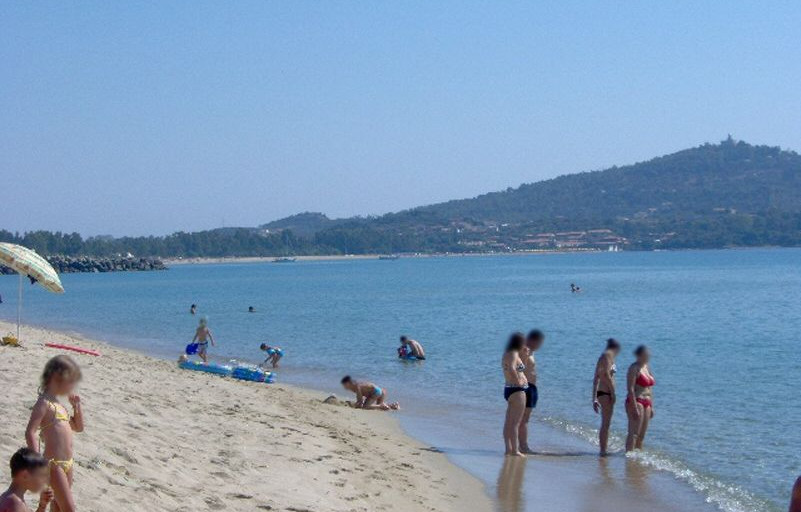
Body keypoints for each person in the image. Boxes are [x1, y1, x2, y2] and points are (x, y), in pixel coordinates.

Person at [25, 356, 84, 512]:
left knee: (57, 507)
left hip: (68, 463)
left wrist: (76, 406)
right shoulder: (43, 403)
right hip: (54, 464)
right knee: (69, 508)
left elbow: (78, 427)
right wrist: (37, 460)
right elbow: (30, 431)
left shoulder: (60, 406)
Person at [593, 338, 622, 456]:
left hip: (602, 392)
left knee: (605, 423)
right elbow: (606, 375)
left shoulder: (603, 357)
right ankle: (603, 450)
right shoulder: (607, 356)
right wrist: (613, 392)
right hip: (606, 393)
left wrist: (594, 398)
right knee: (606, 423)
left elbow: (596, 378)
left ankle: (603, 449)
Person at [0, 448, 53, 512]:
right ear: (25, 475)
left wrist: (42, 505)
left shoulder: (12, 498)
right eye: (41, 476)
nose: (45, 480)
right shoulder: (15, 503)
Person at [502, 332, 528, 457]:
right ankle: (515, 450)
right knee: (515, 423)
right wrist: (518, 382)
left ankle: (508, 448)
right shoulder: (513, 353)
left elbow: (518, 368)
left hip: (509, 389)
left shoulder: (507, 353)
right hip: (517, 390)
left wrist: (525, 356)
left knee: (509, 422)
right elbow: (512, 368)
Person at [518, 329, 544, 454]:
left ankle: (522, 445)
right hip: (526, 386)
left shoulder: (530, 351)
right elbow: (520, 367)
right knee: (524, 419)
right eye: (539, 343)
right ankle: (523, 446)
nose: (540, 346)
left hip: (532, 387)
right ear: (533, 340)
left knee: (525, 418)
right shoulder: (524, 350)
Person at [625, 345, 655, 452]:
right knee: (634, 433)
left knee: (642, 435)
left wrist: (652, 406)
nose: (649, 356)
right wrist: (634, 406)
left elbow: (650, 388)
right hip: (637, 400)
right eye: (647, 355)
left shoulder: (647, 367)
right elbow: (630, 388)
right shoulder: (634, 368)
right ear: (640, 355)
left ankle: (637, 457)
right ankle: (628, 455)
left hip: (647, 402)